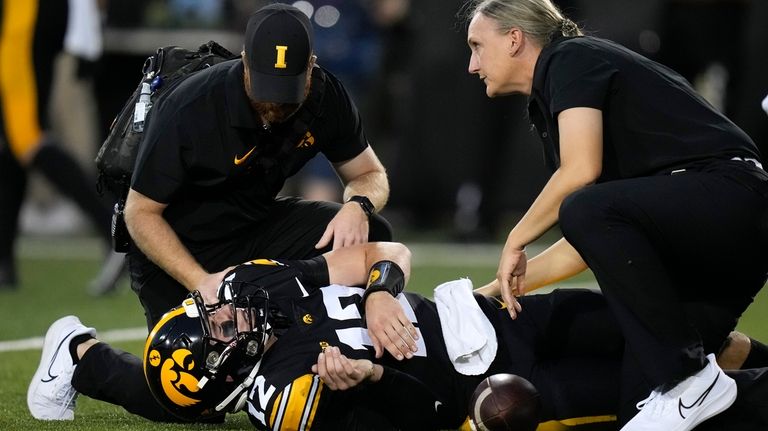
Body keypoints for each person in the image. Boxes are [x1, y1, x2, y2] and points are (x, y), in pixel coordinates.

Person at [29, 242, 768, 429]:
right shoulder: (289, 398)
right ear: (228, 371)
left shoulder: (260, 287)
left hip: (485, 313)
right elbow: (433, 418)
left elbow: (387, 252)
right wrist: (376, 378)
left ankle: (80, 354)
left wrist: (381, 292)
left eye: (213, 310)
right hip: (489, 385)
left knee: (677, 329)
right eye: (219, 329)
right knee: (685, 401)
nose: (226, 311)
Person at [463, 0, 768, 430]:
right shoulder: (559, 87)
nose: (472, 65)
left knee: (583, 206)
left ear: (515, 39)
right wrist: (489, 293)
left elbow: (582, 177)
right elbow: (590, 240)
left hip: (729, 198)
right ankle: (703, 383)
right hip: (709, 237)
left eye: (477, 45)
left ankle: (688, 378)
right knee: (647, 417)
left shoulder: (570, 56)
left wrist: (517, 239)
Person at [123, 3, 392, 329]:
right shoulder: (191, 106)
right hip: (180, 244)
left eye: (286, 92)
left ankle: (331, 344)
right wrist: (202, 282)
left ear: (311, 67)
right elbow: (139, 213)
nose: (274, 105)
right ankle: (81, 351)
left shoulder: (326, 97)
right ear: (244, 61)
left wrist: (358, 206)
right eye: (264, 89)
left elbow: (370, 174)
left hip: (253, 228)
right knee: (198, 374)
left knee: (369, 231)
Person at [0, 0, 124, 293]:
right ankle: (3, 260)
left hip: (26, 13)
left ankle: (113, 230)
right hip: (33, 14)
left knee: (26, 137)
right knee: (12, 143)